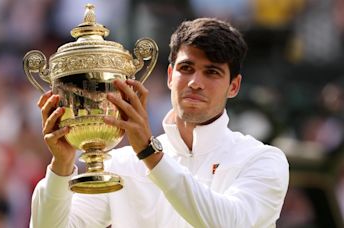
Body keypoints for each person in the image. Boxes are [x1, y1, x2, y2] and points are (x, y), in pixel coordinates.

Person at [30, 18, 289, 227]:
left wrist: (149, 153)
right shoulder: (121, 165)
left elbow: (229, 223)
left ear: (234, 86)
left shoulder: (262, 160)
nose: (195, 82)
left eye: (212, 72)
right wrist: (61, 167)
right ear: (169, 76)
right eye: (186, 68)